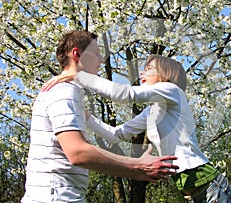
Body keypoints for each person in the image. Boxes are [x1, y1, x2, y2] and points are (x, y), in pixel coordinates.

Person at [42, 53, 231, 202]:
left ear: (165, 75)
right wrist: (87, 118)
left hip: (207, 182)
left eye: (149, 69)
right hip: (190, 190)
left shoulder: (172, 92)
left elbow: (126, 94)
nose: (142, 73)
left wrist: (79, 75)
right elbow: (116, 134)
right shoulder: (152, 111)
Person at [21, 31, 180, 203]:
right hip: (55, 197)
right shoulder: (64, 91)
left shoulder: (69, 94)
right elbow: (78, 152)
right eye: (96, 53)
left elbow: (114, 134)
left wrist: (86, 116)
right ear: (77, 54)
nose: (101, 60)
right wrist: (138, 167)